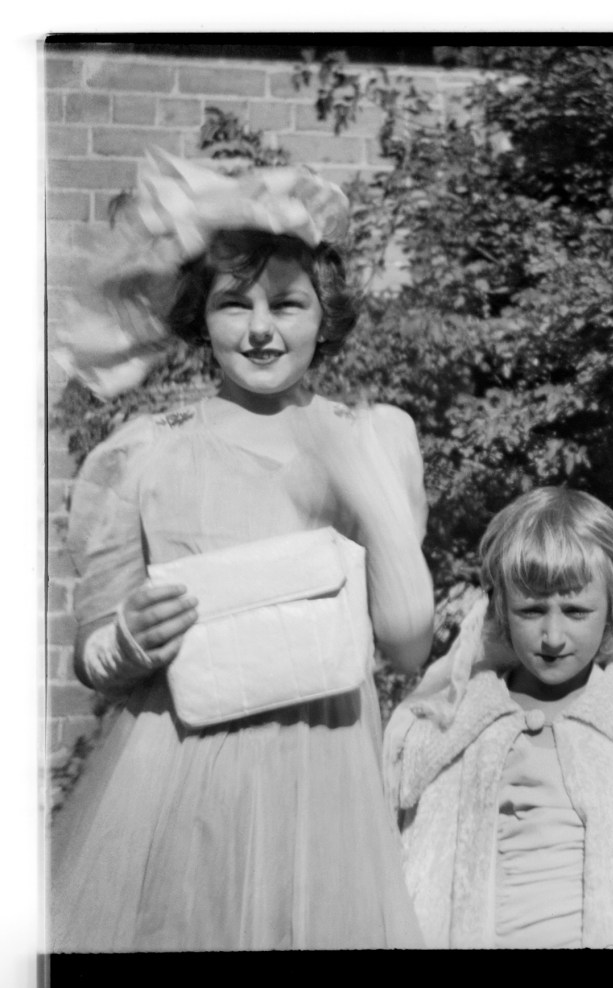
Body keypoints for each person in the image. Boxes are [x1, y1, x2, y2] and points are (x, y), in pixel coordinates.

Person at [49, 150, 434, 951]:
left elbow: (406, 644)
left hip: (325, 789)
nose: (261, 329)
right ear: (201, 317)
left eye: (288, 304)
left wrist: (371, 497)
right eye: (235, 305)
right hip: (179, 784)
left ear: (325, 314)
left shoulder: (372, 438)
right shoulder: (146, 454)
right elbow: (90, 653)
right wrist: (128, 639)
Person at [383, 486, 613, 948]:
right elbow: (418, 874)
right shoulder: (452, 731)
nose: (553, 635)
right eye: (531, 610)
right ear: (499, 609)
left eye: (576, 611)